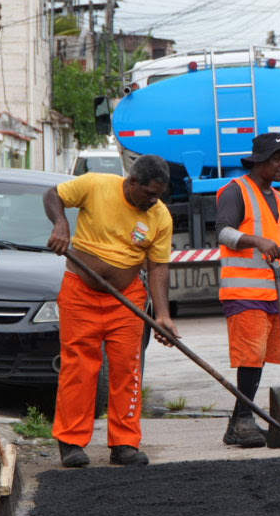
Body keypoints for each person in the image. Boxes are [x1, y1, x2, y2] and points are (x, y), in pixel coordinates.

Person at [43, 154, 179, 468]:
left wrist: (162, 315)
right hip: (80, 293)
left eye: (159, 194)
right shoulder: (94, 185)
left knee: (127, 370)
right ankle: (72, 442)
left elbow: (158, 266)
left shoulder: (160, 217)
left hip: (126, 299)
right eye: (148, 193)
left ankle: (125, 444)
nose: (153, 200)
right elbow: (53, 195)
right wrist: (61, 223)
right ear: (132, 182)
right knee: (80, 367)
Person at [215, 134, 280, 448]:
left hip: (274, 294)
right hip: (243, 291)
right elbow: (223, 231)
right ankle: (243, 420)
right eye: (277, 158)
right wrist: (255, 241)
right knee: (250, 358)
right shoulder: (236, 191)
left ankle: (240, 421)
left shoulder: (279, 198)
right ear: (259, 161)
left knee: (258, 358)